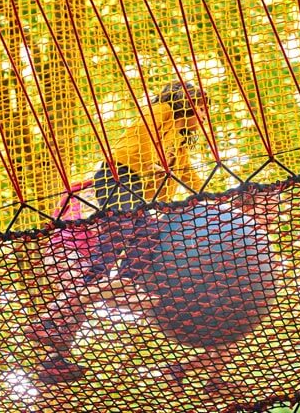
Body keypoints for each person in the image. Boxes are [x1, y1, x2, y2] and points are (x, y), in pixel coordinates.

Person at [24, 81, 209, 384]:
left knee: (149, 233)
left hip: (138, 191)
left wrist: (207, 195)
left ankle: (123, 282)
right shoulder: (161, 111)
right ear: (185, 102)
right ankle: (58, 319)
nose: (203, 114)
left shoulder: (181, 136)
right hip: (119, 177)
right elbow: (141, 141)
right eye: (200, 106)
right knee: (115, 237)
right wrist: (152, 166)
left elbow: (185, 170)